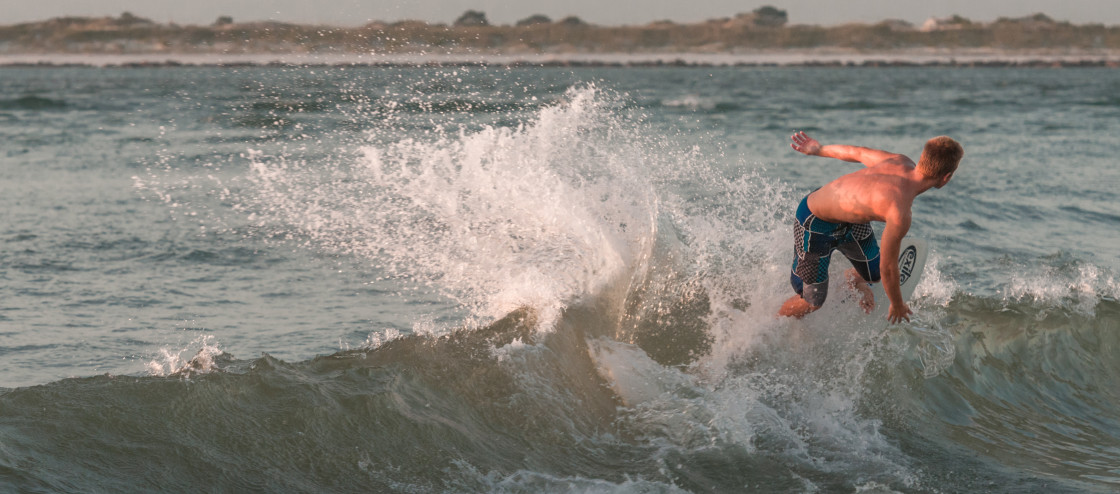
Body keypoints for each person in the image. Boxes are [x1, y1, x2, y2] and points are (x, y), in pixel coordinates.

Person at [779, 132, 963, 323]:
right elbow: (889, 269)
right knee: (813, 300)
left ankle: (850, 280)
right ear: (946, 177)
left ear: (923, 158)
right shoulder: (899, 213)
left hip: (852, 221)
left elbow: (856, 152)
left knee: (873, 274)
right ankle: (774, 323)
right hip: (815, 220)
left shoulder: (900, 161)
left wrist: (820, 149)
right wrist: (897, 304)